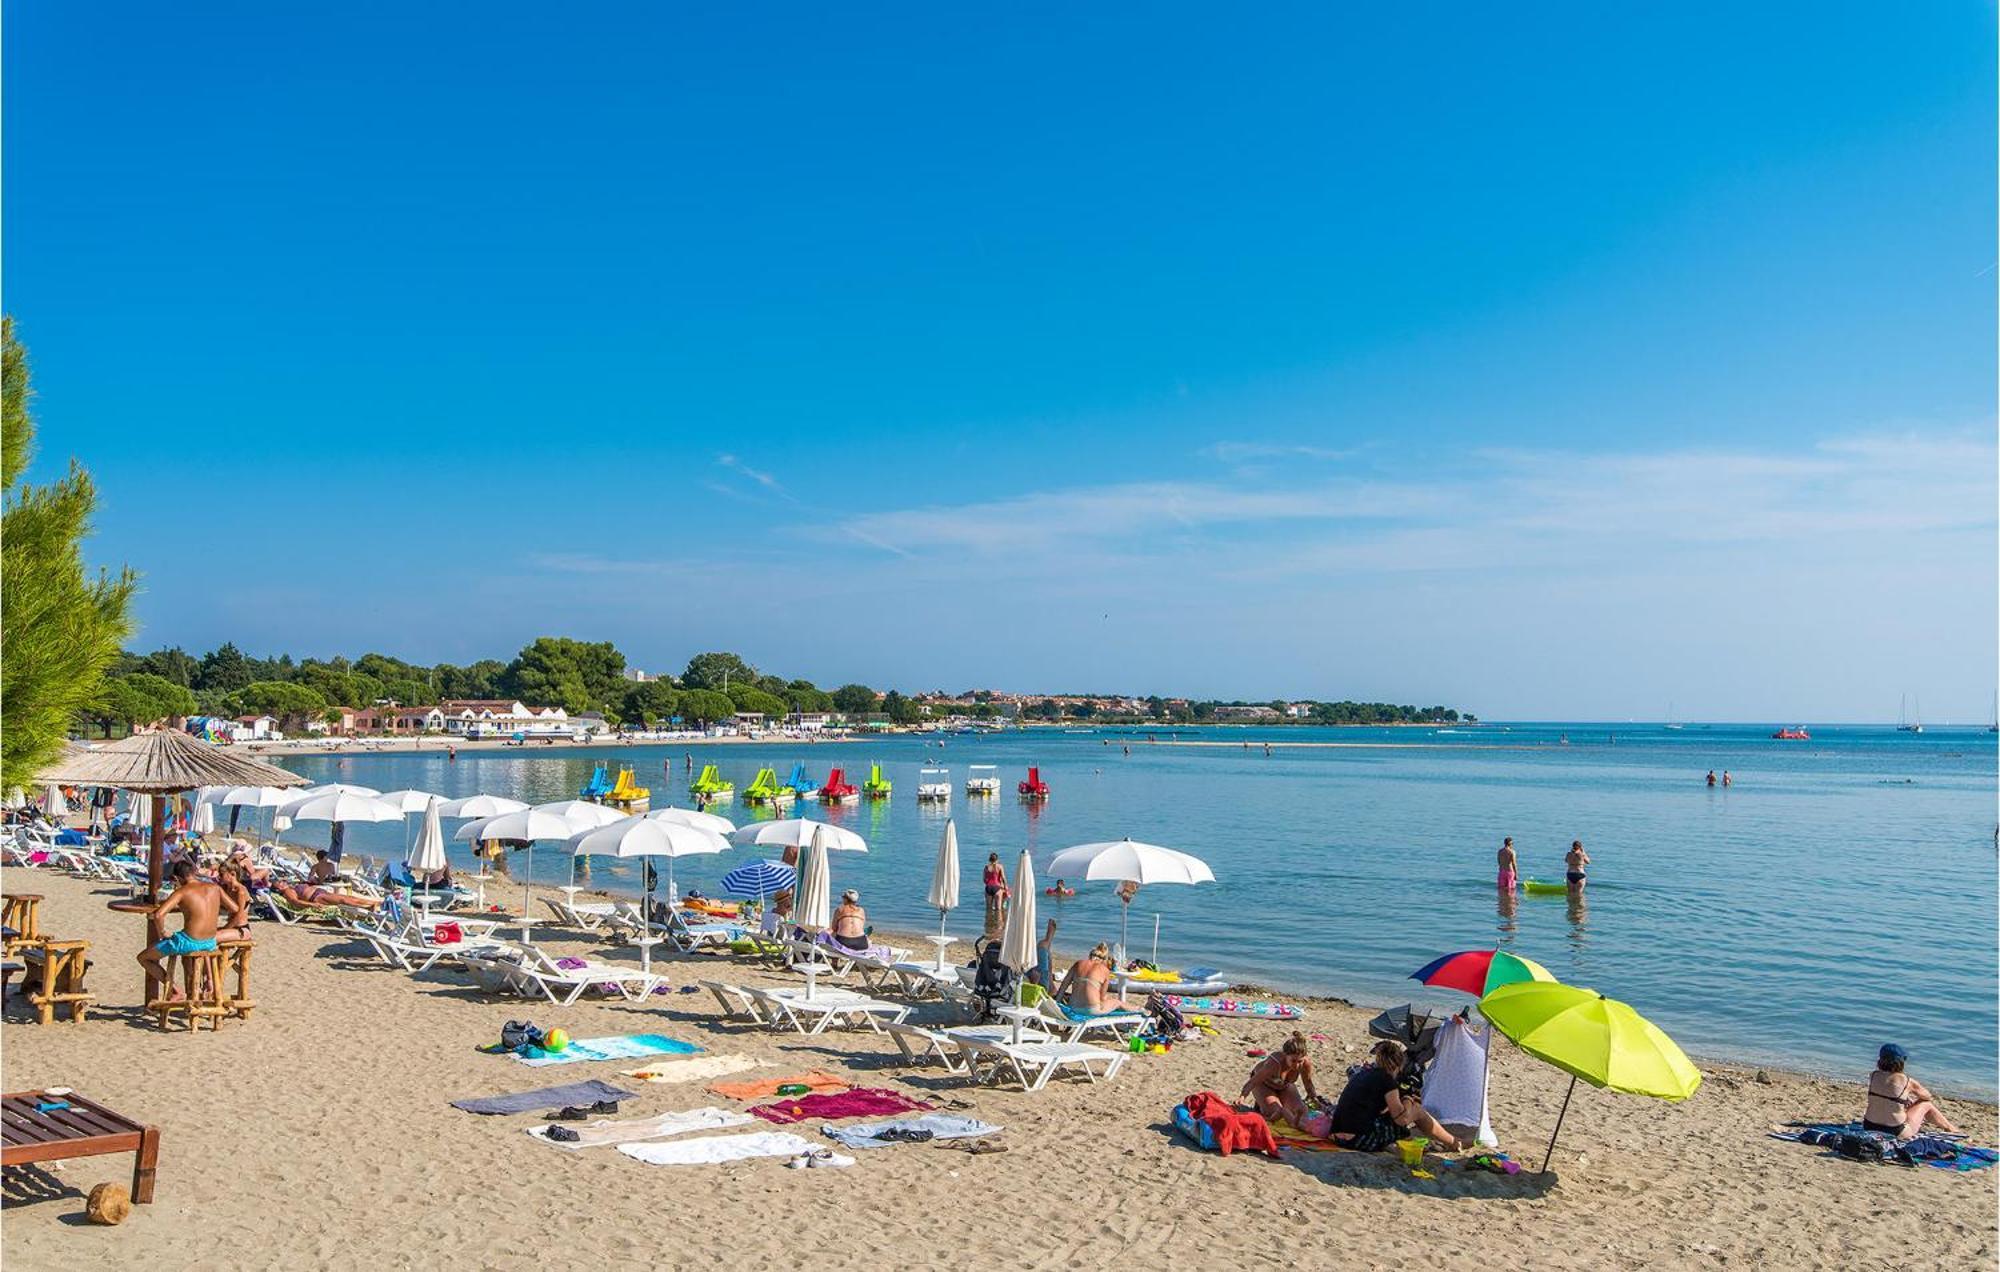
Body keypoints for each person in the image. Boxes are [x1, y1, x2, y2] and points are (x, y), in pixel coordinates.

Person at [1329, 1040, 1460, 1152]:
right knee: (1417, 1111)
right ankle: (1454, 1143)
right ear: (1399, 1065)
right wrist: (1408, 1098)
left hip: (1337, 1136)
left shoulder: (1364, 1074)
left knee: (1395, 1118)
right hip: (1357, 1140)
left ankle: (1443, 1141)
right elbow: (1401, 1119)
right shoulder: (1387, 1080)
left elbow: (1375, 1108)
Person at [137, 860, 223, 991]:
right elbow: (232, 907)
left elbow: (159, 915)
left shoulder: (182, 892)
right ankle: (196, 990)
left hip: (189, 942)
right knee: (185, 956)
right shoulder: (215, 888)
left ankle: (175, 990)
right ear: (194, 873)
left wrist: (162, 933)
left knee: (144, 958)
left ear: (177, 878)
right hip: (210, 942)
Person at [1864, 1044, 1960, 1140]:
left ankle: (1951, 1128)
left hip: (1869, 1126)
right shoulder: (1906, 1081)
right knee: (1926, 1104)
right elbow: (1927, 1096)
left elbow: (1886, 1092)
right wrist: (1909, 1099)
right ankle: (1951, 1129)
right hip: (1895, 1131)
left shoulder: (1873, 1076)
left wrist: (1903, 1099)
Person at [1242, 1032, 1323, 1127]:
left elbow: (1308, 1084)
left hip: (1284, 1085)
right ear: (1285, 1056)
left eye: (1300, 1061)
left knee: (1301, 1110)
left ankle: (1290, 1117)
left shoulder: (1305, 1064)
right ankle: (1264, 1106)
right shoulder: (1275, 1063)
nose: (1297, 1065)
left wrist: (1314, 1098)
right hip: (1263, 1084)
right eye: (1293, 1061)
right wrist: (1242, 1097)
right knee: (1276, 1112)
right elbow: (1253, 1082)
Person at [1057, 942, 1126, 1014]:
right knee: (1117, 1002)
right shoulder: (1105, 970)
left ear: (1090, 955)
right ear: (1104, 960)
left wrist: (1057, 1003)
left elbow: (1063, 986)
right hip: (1091, 1010)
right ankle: (1136, 1010)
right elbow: (1102, 999)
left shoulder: (1078, 963)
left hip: (1073, 1007)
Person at [214, 863, 254, 942]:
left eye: (222, 874)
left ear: (232, 874)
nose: (219, 877)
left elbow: (239, 915)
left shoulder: (240, 891)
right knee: (205, 935)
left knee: (212, 939)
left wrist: (225, 928)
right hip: (232, 927)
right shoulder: (226, 889)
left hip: (241, 929)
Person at [1030, 917, 1058, 988]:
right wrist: (1034, 983)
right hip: (1040, 985)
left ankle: (1048, 940)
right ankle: (1048, 940)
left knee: (1042, 947)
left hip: (1035, 981)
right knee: (1042, 946)